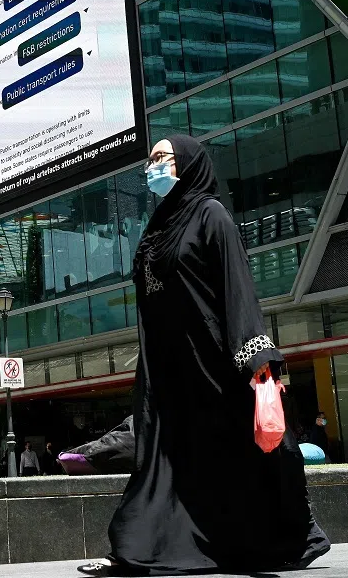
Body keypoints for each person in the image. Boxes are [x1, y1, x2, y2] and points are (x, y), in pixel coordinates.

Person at [96, 135, 330, 575]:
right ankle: (146, 546)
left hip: (216, 369)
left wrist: (258, 358)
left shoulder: (211, 215)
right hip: (174, 376)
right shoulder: (160, 224)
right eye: (149, 161)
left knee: (241, 458)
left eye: (161, 159)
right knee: (170, 464)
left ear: (186, 163)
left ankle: (280, 539)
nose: (152, 168)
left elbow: (237, 285)